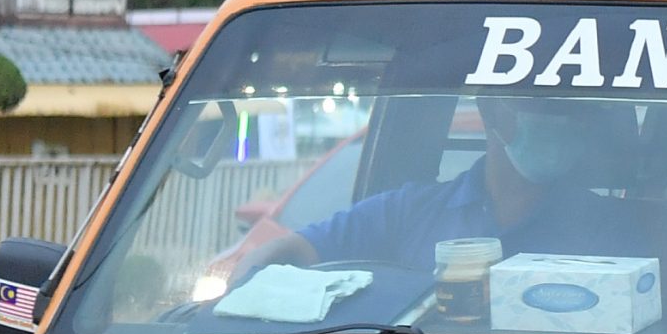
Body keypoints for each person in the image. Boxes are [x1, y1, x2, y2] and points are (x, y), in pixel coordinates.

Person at [234, 95, 636, 278]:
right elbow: (290, 251)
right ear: (491, 110)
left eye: (572, 111)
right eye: (544, 106)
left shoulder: (607, 227)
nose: (563, 123)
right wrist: (246, 292)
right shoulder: (407, 212)